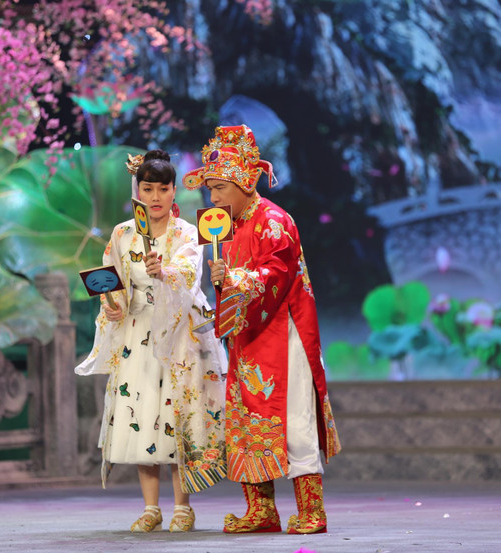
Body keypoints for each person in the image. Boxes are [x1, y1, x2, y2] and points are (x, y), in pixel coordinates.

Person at [182, 125, 342, 535]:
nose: (213, 198)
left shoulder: (274, 221)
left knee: (294, 418)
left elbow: (276, 274)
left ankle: (312, 511)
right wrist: (222, 280)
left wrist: (234, 279)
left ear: (246, 183)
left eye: (220, 188)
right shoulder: (230, 227)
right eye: (211, 189)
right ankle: (261, 510)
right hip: (249, 335)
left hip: (283, 334)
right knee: (246, 419)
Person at [76, 149, 227, 533]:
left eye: (163, 189)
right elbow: (113, 280)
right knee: (142, 416)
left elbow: (189, 275)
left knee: (177, 416)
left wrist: (165, 273)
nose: (155, 197)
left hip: (178, 335)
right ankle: (150, 507)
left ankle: (182, 507)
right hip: (138, 332)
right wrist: (113, 307)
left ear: (174, 191)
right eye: (148, 189)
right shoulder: (123, 233)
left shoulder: (187, 233)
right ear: (137, 191)